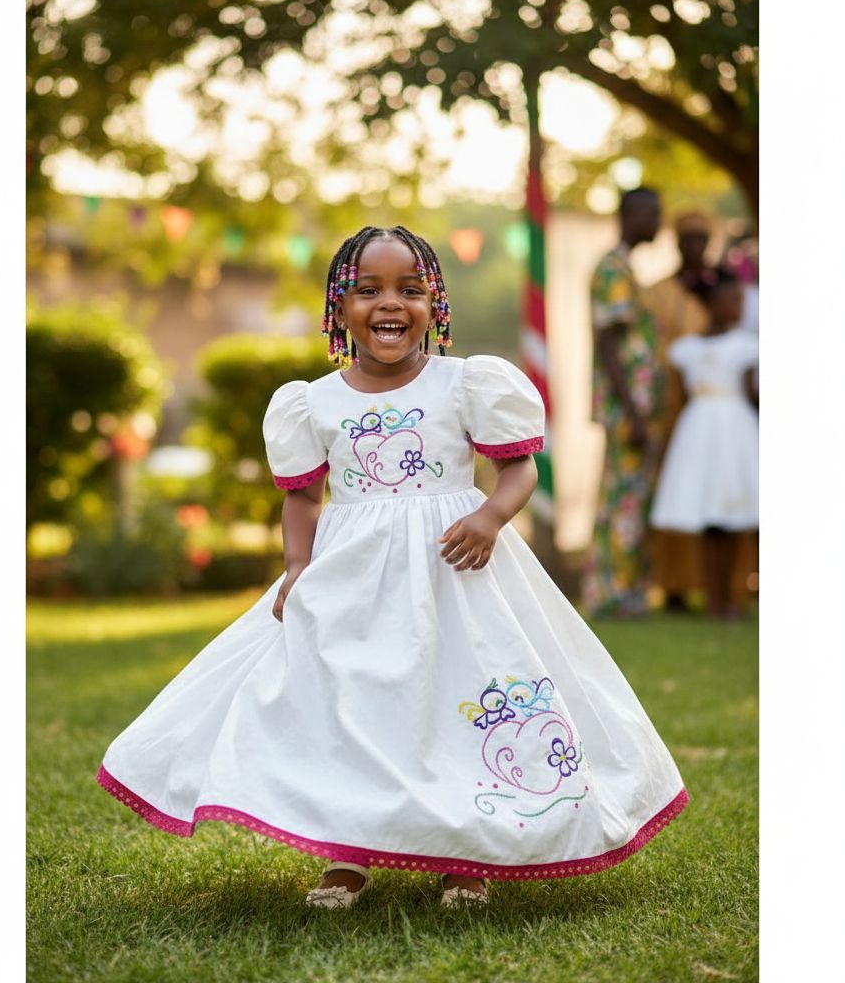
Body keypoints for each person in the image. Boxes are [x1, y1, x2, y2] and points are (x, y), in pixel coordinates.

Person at [97, 226, 688, 912]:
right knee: (355, 706)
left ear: (435, 304)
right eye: (367, 290)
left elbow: (519, 468)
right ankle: (347, 854)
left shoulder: (464, 384)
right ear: (339, 308)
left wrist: (492, 516)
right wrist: (297, 566)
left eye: (410, 289)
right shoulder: (314, 402)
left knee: (458, 699)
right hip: (355, 583)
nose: (390, 303)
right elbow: (302, 498)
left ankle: (469, 854)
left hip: (456, 575)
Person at [649, 268, 759, 619]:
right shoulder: (685, 350)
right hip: (700, 432)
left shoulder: (746, 347)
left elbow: (753, 393)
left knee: (736, 515)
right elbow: (681, 395)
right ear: (712, 304)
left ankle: (734, 597)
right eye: (733, 300)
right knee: (711, 519)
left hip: (736, 431)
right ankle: (715, 600)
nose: (740, 307)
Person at [582, 187, 665, 618]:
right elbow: (609, 343)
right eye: (652, 214)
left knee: (628, 497)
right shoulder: (613, 269)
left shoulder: (625, 268)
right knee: (623, 500)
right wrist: (633, 413)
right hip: (627, 408)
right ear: (629, 215)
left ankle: (625, 590)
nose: (657, 222)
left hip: (637, 406)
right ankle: (612, 594)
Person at [643, 211, 715, 611]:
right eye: (689, 238)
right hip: (670, 408)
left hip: (717, 410)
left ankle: (723, 584)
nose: (696, 246)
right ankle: (673, 586)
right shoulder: (657, 292)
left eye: (702, 238)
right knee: (674, 489)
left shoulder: (721, 290)